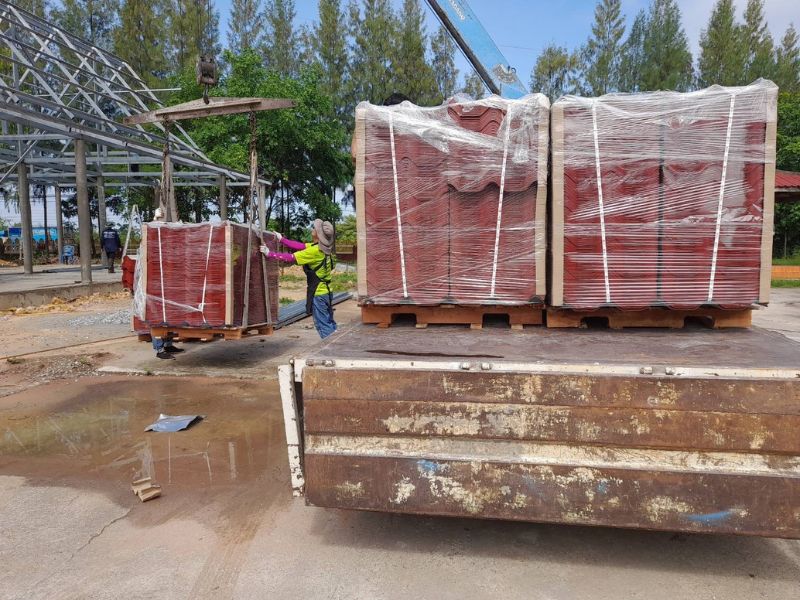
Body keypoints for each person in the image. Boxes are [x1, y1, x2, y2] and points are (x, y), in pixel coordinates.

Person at [261, 219, 337, 339]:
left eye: (315, 229)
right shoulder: (323, 248)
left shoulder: (314, 251)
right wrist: (282, 239)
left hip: (319, 294)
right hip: (327, 292)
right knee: (329, 322)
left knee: (323, 325)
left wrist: (269, 254)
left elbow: (291, 257)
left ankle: (332, 347)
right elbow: (300, 246)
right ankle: (337, 342)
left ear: (318, 235)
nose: (313, 229)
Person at [149, 206, 184, 359]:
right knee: (157, 317)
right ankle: (159, 349)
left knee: (169, 315)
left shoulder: (165, 237)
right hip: (155, 286)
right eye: (160, 217)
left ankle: (168, 344)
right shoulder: (152, 233)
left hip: (167, 283)